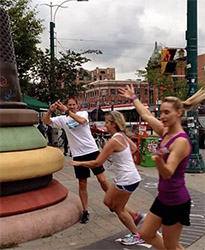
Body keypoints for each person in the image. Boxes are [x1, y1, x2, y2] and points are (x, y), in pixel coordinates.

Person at [119, 85, 205, 250]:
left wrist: (158, 161)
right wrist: (133, 98)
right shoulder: (165, 132)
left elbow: (168, 172)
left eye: (167, 113)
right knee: (146, 234)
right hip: (163, 198)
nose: (162, 116)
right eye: (161, 112)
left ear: (179, 113)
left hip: (176, 201)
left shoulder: (180, 141)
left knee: (172, 245)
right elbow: (146, 114)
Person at [70, 111, 145, 246]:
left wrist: (80, 163)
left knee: (118, 209)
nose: (105, 126)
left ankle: (136, 235)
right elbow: (133, 148)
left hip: (127, 179)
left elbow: (97, 163)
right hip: (126, 177)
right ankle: (136, 216)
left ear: (113, 124)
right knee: (107, 201)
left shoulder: (113, 141)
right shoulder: (120, 136)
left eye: (107, 123)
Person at [42, 97, 109, 224]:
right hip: (78, 155)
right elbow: (46, 121)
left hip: (92, 151)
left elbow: (81, 121)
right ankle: (85, 211)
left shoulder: (82, 113)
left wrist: (67, 111)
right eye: (69, 105)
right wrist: (50, 111)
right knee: (82, 183)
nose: (71, 106)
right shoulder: (62, 119)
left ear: (77, 106)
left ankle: (112, 201)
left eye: (73, 105)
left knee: (102, 179)